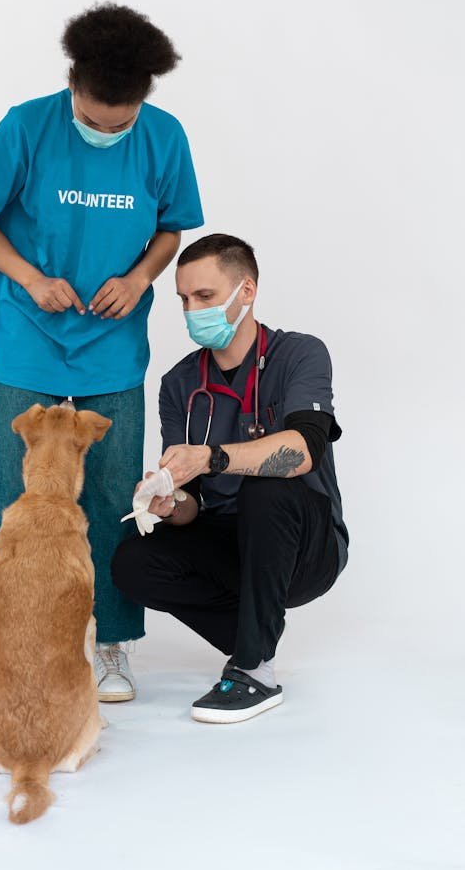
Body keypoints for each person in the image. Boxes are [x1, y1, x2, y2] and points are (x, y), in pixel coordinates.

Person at [0, 2, 204, 702]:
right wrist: (31, 278)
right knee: (22, 496)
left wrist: (139, 278)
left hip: (111, 344)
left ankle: (112, 643)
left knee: (111, 495)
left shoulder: (164, 138)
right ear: (72, 84)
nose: (106, 131)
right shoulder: (24, 126)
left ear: (143, 102)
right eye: (93, 119)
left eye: (119, 122)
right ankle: (7, 644)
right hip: (27, 336)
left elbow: (171, 230)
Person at [111, 233, 348, 722]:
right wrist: (169, 503)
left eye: (205, 297)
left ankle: (255, 671)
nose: (192, 310)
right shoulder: (180, 386)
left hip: (306, 544)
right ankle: (253, 636)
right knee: (132, 561)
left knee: (266, 482)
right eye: (183, 299)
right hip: (232, 544)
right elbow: (193, 502)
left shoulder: (301, 354)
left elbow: (302, 453)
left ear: (247, 290)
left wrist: (212, 458)